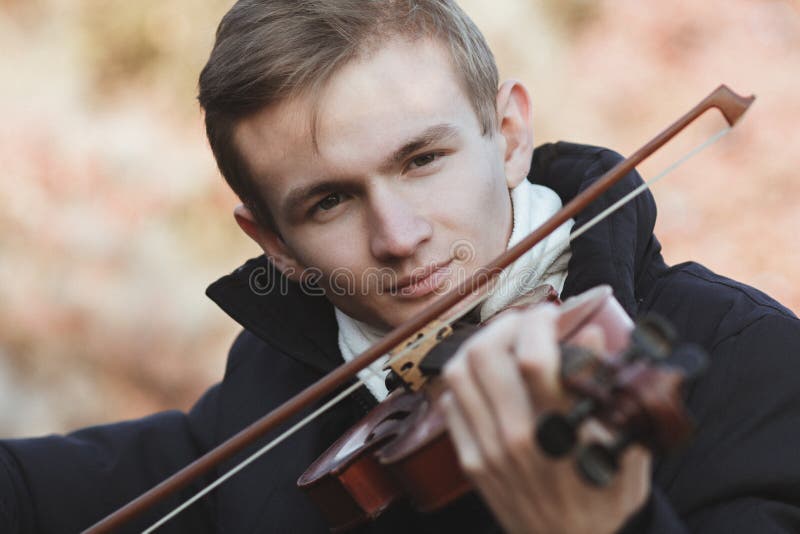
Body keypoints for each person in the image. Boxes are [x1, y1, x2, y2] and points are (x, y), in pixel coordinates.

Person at [2, 1, 799, 532]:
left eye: (421, 159)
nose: (398, 235)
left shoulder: (748, 362)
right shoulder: (283, 384)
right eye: (328, 203)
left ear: (510, 133)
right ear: (272, 241)